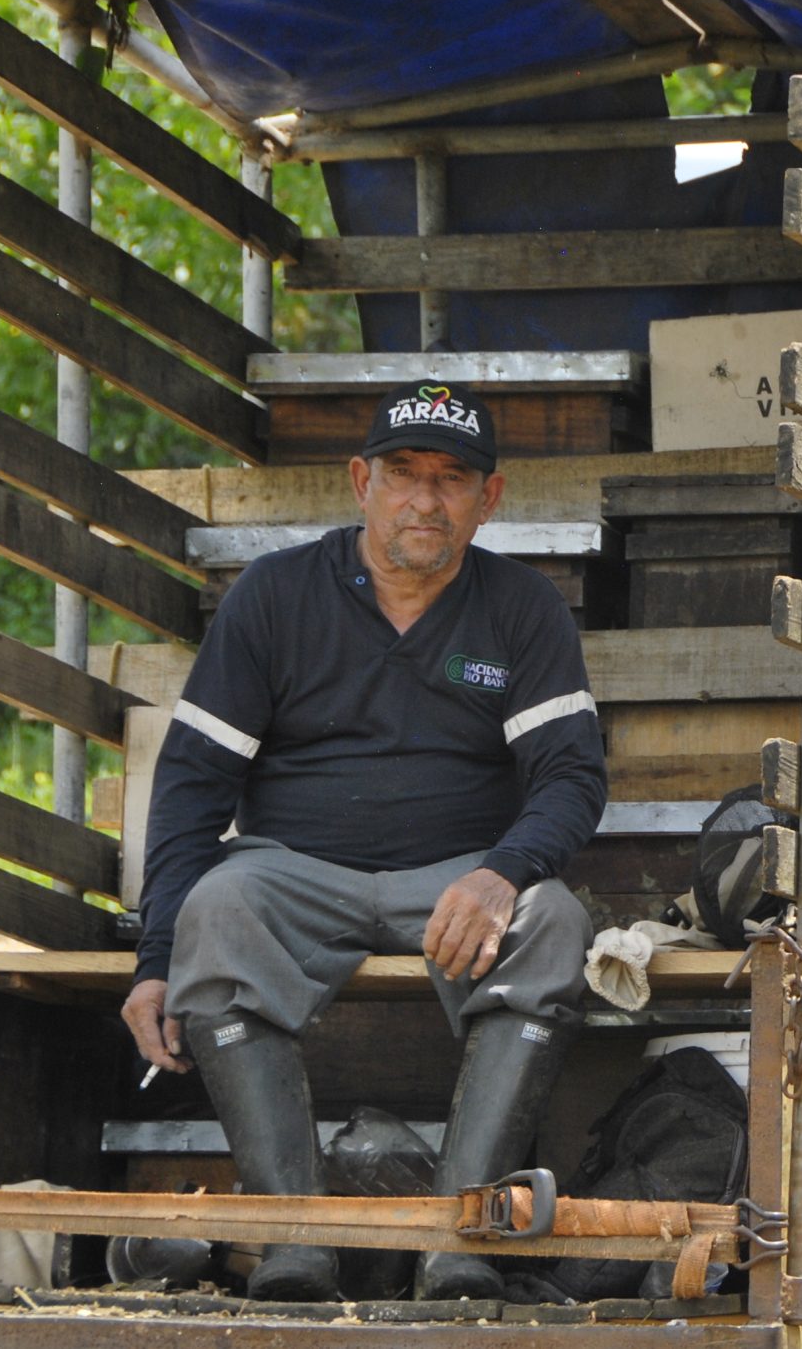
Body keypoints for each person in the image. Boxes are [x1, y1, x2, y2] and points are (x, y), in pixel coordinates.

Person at [120, 383, 606, 1303]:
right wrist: (155, 959)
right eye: (403, 474)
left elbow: (573, 778)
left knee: (554, 920)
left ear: (488, 499)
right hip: (296, 874)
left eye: (452, 479)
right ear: (360, 482)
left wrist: (504, 872)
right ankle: (294, 1243)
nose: (426, 499)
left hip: (457, 881)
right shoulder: (273, 596)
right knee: (215, 908)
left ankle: (461, 1239)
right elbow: (192, 786)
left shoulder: (522, 608)